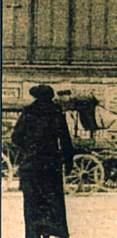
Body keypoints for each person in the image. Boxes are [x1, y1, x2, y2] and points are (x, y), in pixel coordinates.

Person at [12, 84, 73, 238]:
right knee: (52, 201)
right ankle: (49, 231)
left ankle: (34, 233)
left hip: (31, 165)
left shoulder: (28, 112)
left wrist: (29, 147)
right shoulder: (55, 112)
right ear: (50, 97)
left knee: (33, 202)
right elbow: (65, 139)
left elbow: (16, 137)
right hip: (51, 164)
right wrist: (68, 160)